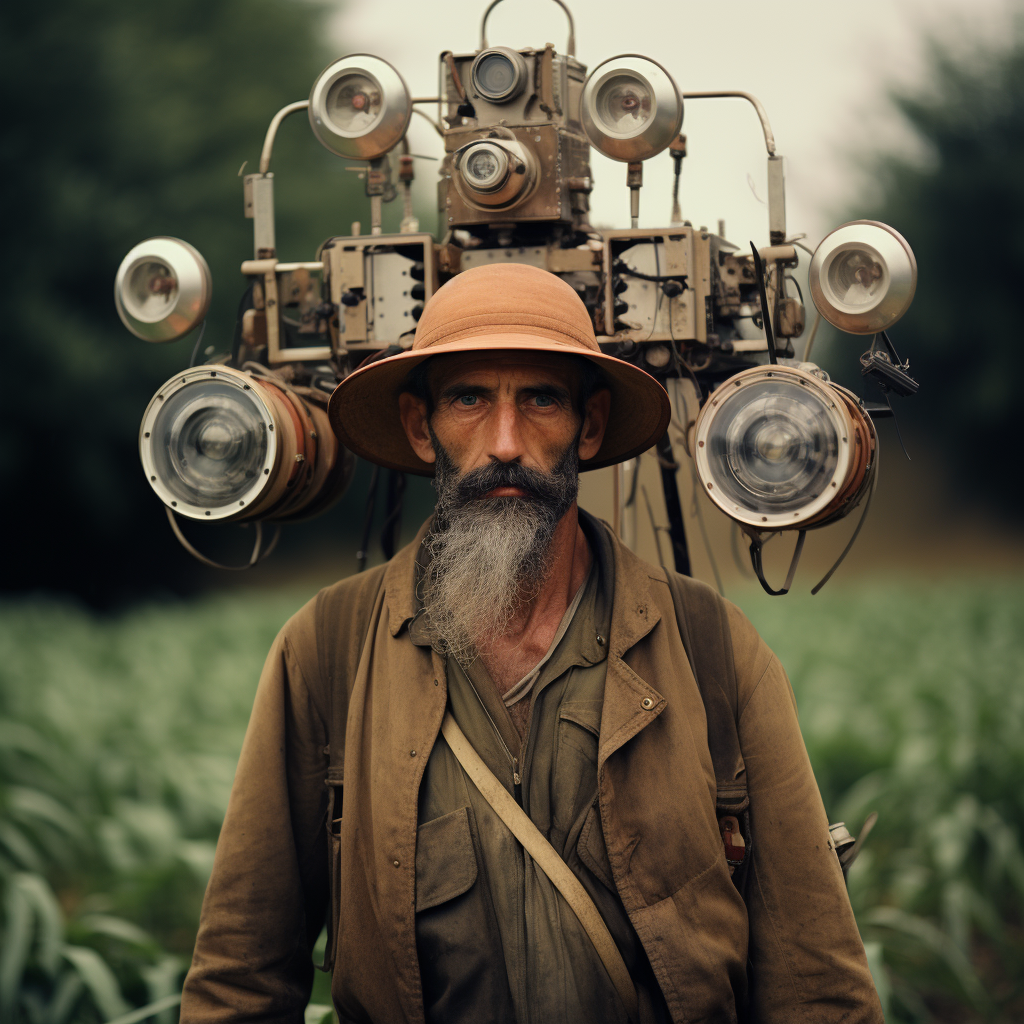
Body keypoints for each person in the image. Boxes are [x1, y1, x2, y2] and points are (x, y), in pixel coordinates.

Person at [180, 263, 883, 1024]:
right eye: (469, 399)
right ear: (422, 427)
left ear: (589, 424)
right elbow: (240, 980)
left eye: (541, 399)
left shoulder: (711, 649)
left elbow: (818, 989)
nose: (506, 443)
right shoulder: (326, 652)